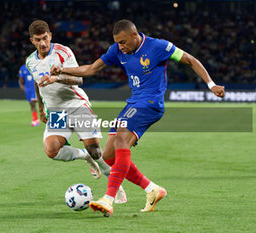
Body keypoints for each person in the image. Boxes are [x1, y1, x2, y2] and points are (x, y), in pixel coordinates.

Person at [41, 19, 225, 217]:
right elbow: (91, 69)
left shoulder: (159, 46)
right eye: (117, 42)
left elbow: (190, 60)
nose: (120, 47)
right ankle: (152, 189)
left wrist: (211, 84)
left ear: (135, 35)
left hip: (151, 104)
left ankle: (108, 199)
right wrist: (62, 70)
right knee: (109, 156)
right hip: (132, 104)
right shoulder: (117, 50)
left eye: (123, 42)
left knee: (121, 137)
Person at [26, 20, 127, 203]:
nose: (42, 43)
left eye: (45, 38)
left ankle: (115, 186)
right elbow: (36, 82)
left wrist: (57, 78)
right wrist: (41, 107)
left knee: (96, 150)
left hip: (76, 104)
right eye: (38, 39)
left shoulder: (63, 52)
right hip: (56, 111)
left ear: (50, 36)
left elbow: (79, 80)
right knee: (52, 150)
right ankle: (84, 156)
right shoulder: (30, 61)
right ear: (32, 40)